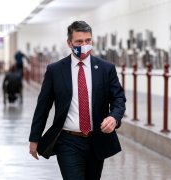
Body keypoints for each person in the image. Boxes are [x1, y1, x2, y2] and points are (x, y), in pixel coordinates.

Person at [28, 21, 126, 180]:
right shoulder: (55, 70)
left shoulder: (105, 69)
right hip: (68, 141)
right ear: (69, 43)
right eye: (79, 42)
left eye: (88, 41)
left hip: (96, 140)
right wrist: (34, 138)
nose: (84, 45)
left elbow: (119, 98)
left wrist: (114, 117)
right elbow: (43, 106)